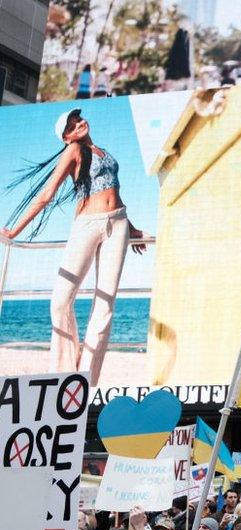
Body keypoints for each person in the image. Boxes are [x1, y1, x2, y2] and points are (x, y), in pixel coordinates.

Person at [1, 108, 146, 385]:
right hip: (87, 225)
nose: (79, 123)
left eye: (78, 119)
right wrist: (14, 230)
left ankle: (86, 379)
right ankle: (65, 371)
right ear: (66, 137)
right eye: (72, 124)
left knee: (105, 305)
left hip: (118, 224)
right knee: (60, 300)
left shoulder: (104, 151)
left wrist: (133, 227)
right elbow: (46, 195)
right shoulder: (74, 150)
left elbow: (114, 191)